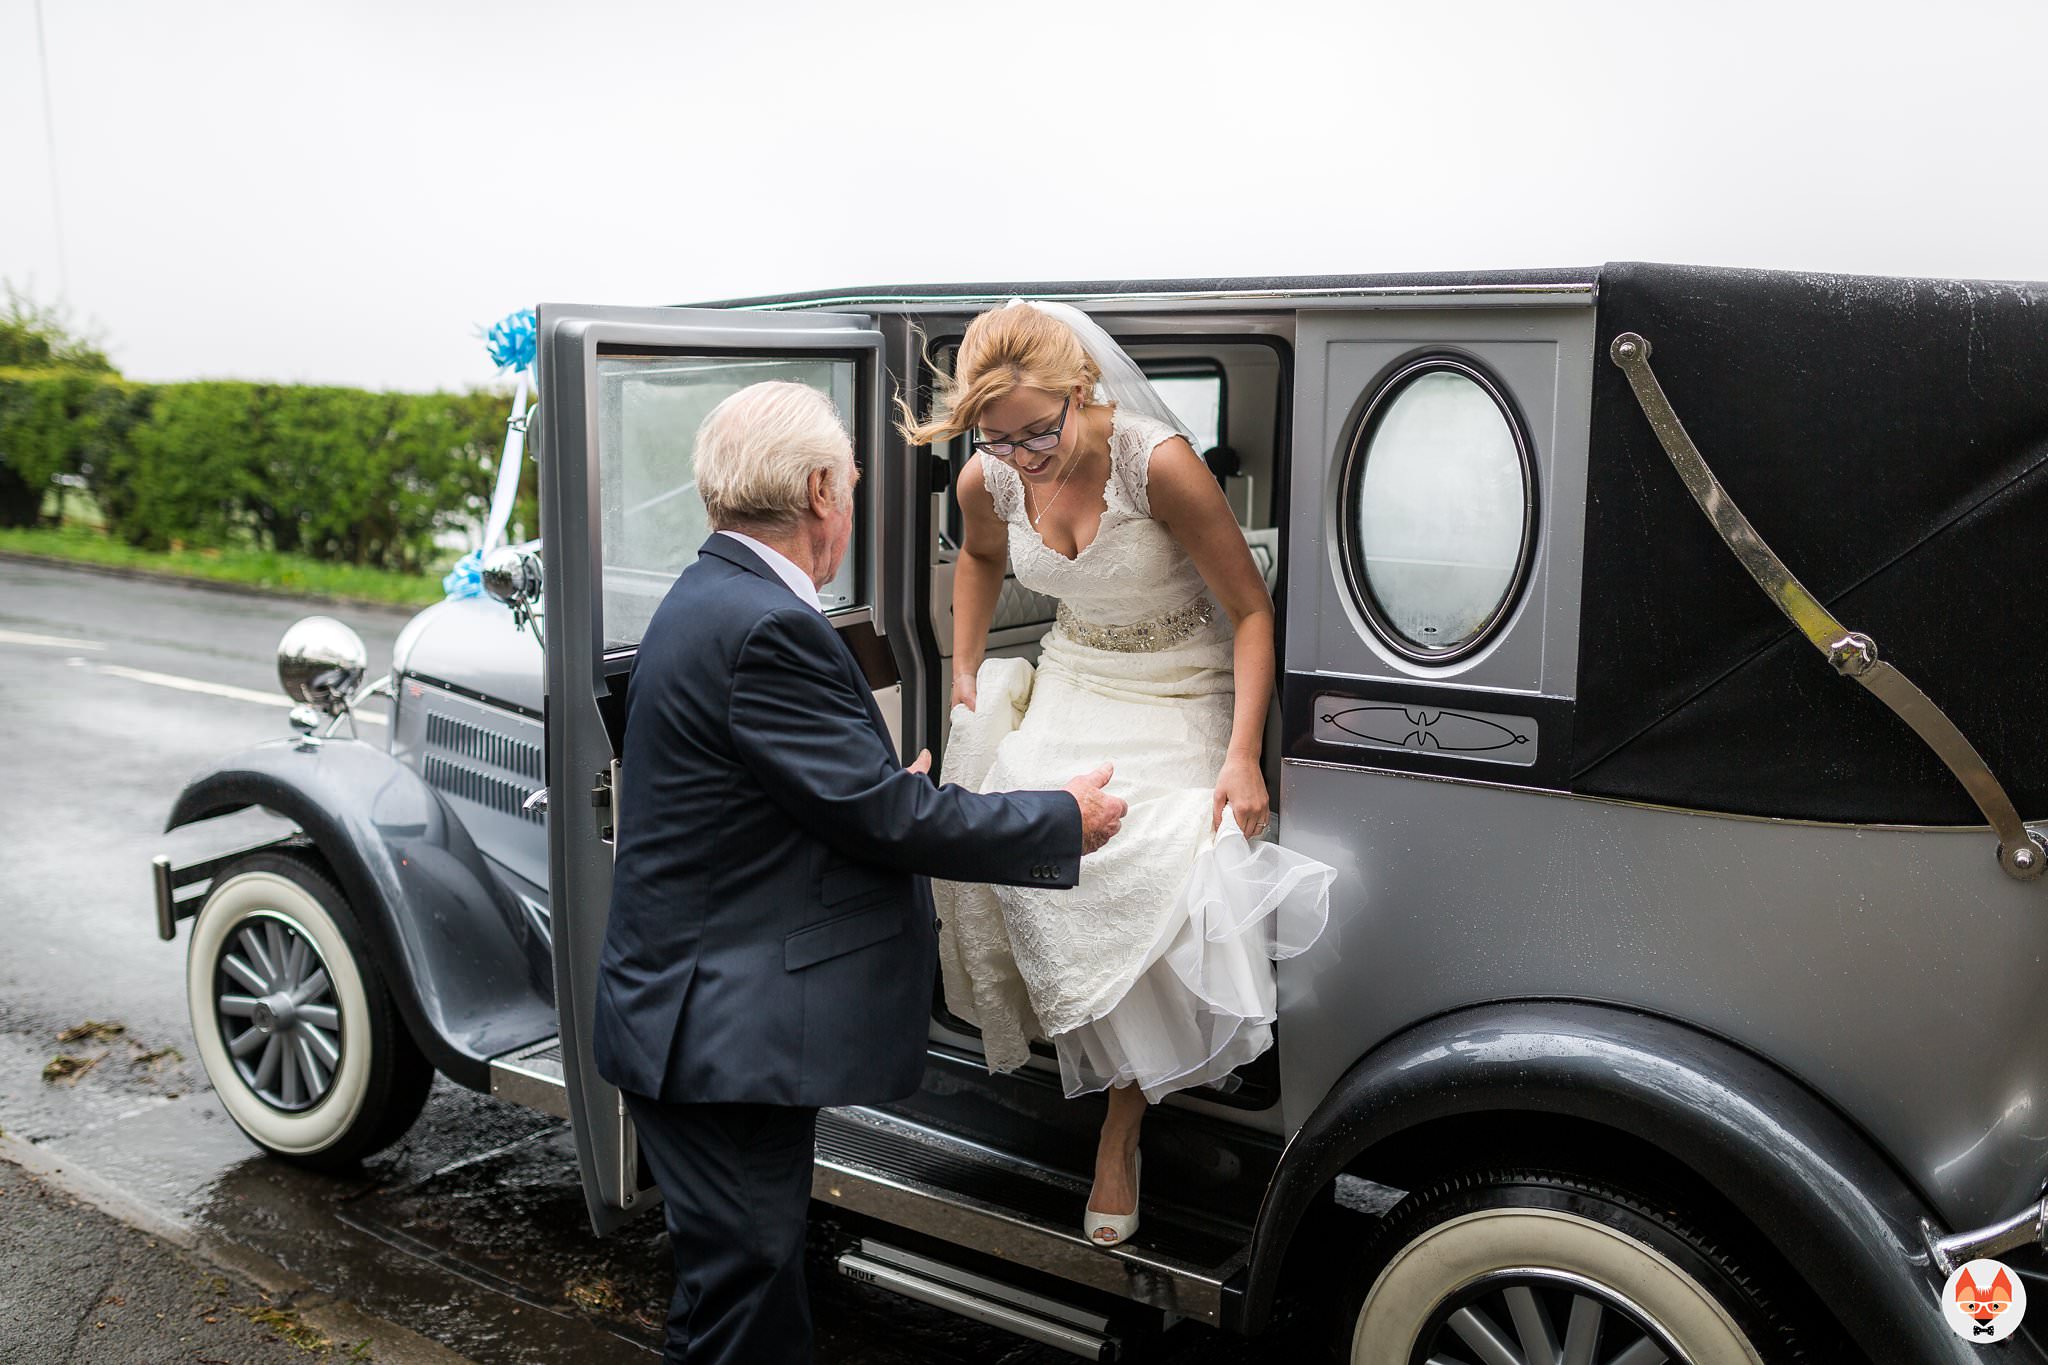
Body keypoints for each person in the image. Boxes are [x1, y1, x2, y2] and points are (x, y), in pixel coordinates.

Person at [593, 379, 1128, 1365]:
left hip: (697, 1017)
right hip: (715, 1038)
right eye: (845, 476)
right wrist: (1063, 817)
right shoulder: (768, 626)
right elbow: (884, 819)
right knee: (742, 1302)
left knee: (744, 1282)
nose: (847, 495)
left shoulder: (712, 592)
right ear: (818, 492)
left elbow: (783, 800)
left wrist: (874, 790)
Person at [901, 301, 1335, 1248]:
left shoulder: (1157, 463)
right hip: (1079, 671)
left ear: (1081, 392)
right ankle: (1076, 1031)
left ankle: (1123, 1120)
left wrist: (1241, 757)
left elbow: (1251, 611)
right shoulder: (992, 479)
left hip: (1184, 680)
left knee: (1140, 847)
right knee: (1013, 811)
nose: (1023, 456)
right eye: (998, 439)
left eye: (1038, 431)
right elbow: (978, 557)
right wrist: (967, 665)